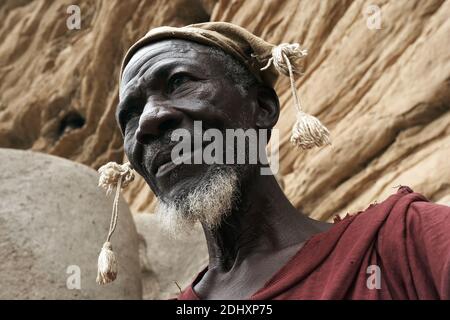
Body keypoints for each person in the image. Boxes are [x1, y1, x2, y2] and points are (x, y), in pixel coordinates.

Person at [108, 22, 450, 299]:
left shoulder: (408, 242)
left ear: (263, 107)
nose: (148, 121)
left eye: (179, 82)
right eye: (130, 115)